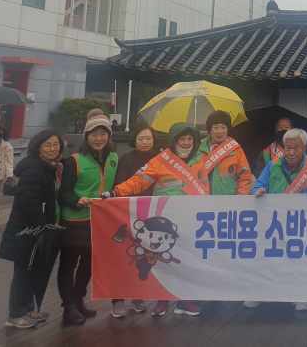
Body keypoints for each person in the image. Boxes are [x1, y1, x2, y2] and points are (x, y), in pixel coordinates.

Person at [110, 122, 208, 318]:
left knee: (188, 261)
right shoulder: (161, 160)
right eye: (182, 139)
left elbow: (206, 185)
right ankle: (162, 301)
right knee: (164, 262)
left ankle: (185, 301)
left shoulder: (202, 160)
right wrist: (116, 192)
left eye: (189, 139)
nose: (186, 143)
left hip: (192, 217)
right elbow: (139, 181)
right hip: (166, 220)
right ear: (174, 140)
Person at [249, 128, 307, 313]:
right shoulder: (272, 165)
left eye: (295, 148)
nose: (290, 152)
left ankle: (299, 296)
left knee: (298, 261)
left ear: (304, 147)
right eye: (287, 148)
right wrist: (258, 191)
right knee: (267, 259)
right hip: (273, 223)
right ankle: (259, 294)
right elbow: (258, 185)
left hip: (300, 223)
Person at [0, 129, 64, 329]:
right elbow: (29, 202)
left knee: (30, 270)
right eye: (47, 145)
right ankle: (16, 314)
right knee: (23, 272)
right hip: (27, 230)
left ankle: (27, 310)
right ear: (38, 147)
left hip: (33, 229)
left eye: (56, 144)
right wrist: (43, 226)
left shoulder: (45, 166)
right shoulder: (34, 169)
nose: (52, 148)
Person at [57, 112, 117, 326]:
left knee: (89, 264)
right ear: (86, 136)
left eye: (103, 134)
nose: (99, 138)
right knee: (69, 264)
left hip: (99, 221)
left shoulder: (113, 158)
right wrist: (77, 200)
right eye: (94, 134)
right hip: (74, 222)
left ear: (109, 136)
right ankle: (68, 307)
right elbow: (63, 193)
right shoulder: (74, 161)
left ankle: (78, 299)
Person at [110, 125, 159, 319]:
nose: (145, 142)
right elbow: (119, 185)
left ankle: (138, 296)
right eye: (141, 138)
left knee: (143, 259)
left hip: (151, 216)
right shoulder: (126, 159)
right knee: (123, 258)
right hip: (127, 215)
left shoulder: (160, 159)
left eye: (148, 138)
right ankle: (117, 299)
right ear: (134, 140)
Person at [200, 110, 253, 196]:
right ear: (210, 130)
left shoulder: (236, 149)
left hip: (229, 200)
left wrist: (241, 197)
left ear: (228, 129)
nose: (220, 131)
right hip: (203, 199)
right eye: (216, 128)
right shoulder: (199, 148)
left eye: (223, 127)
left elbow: (245, 177)